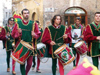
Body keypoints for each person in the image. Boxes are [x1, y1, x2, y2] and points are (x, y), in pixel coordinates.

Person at [11, 8, 41, 75]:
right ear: (22, 14)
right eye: (24, 13)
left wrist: (34, 35)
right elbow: (13, 35)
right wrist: (18, 33)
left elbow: (38, 34)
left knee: (30, 64)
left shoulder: (33, 24)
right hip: (21, 45)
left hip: (30, 46)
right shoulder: (18, 24)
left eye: (27, 13)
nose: (26, 14)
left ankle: (25, 73)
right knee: (22, 62)